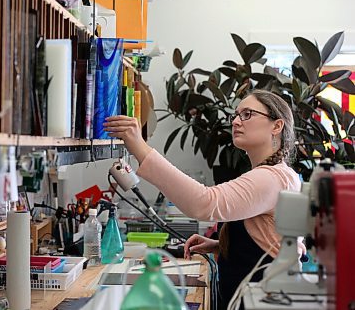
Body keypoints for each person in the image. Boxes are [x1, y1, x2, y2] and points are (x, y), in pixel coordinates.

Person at [103, 89, 301, 309]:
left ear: (277, 126)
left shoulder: (272, 178)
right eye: (235, 115)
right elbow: (270, 240)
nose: (236, 121)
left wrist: (139, 147)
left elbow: (204, 202)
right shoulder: (276, 174)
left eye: (247, 114)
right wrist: (221, 246)